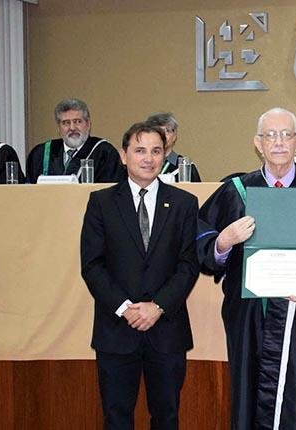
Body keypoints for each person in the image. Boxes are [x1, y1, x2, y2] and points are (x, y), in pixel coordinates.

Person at [196, 107, 296, 429]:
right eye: (270, 135)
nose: (278, 142)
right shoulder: (235, 191)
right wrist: (223, 241)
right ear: (258, 143)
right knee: (248, 396)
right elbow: (201, 244)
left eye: (286, 135)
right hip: (249, 317)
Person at [80, 121, 199, 429]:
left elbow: (188, 265)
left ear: (165, 155)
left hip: (167, 330)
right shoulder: (101, 202)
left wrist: (157, 307)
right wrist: (125, 308)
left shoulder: (185, 203)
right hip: (116, 330)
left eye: (156, 151)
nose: (148, 158)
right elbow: (92, 265)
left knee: (167, 417)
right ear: (124, 155)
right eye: (140, 150)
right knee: (116, 418)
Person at [26, 98, 122, 183]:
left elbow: (110, 192)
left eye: (77, 122)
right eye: (66, 123)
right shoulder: (40, 154)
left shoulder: (104, 153)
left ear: (88, 124)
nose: (72, 128)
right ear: (58, 128)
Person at [147, 112, 203, 182]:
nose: (163, 135)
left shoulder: (185, 166)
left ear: (174, 136)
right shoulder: (144, 163)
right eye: (158, 131)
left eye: (167, 131)